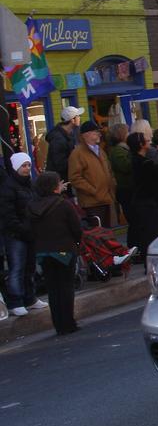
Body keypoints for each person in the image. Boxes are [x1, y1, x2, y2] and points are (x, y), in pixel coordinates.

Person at [28, 171, 83, 335]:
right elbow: (76, 228)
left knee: (53, 289)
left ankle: (58, 324)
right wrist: (77, 242)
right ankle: (68, 323)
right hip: (64, 250)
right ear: (54, 186)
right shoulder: (64, 204)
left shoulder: (32, 206)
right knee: (66, 287)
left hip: (43, 252)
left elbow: (30, 230)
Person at [1, 153, 46, 317]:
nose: (27, 168)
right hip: (16, 234)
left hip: (29, 232)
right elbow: (8, 214)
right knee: (17, 268)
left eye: (28, 165)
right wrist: (21, 229)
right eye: (23, 166)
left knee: (30, 267)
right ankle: (15, 301)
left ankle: (30, 298)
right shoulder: (9, 187)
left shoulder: (30, 185)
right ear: (15, 167)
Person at [126, 132, 158, 264]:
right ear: (141, 144)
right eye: (146, 140)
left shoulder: (137, 160)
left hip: (144, 202)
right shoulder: (143, 163)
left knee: (148, 233)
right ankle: (154, 262)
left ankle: (151, 262)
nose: (149, 141)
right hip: (149, 203)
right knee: (153, 233)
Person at [68, 120, 116, 227]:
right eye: (96, 132)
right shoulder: (77, 153)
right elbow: (75, 178)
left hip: (106, 199)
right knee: (97, 235)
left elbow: (109, 170)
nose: (99, 134)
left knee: (107, 235)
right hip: (91, 203)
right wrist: (93, 191)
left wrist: (112, 185)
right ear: (86, 134)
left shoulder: (100, 151)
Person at [44, 105, 83, 182]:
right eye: (78, 116)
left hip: (66, 178)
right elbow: (60, 164)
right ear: (72, 120)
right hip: (59, 182)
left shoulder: (70, 133)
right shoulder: (58, 139)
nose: (80, 118)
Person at [107, 123, 133, 230]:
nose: (129, 134)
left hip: (128, 188)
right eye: (127, 132)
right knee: (133, 221)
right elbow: (126, 166)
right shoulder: (117, 150)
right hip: (126, 189)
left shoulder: (124, 148)